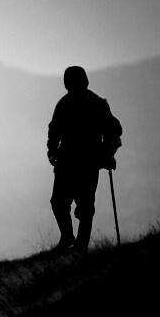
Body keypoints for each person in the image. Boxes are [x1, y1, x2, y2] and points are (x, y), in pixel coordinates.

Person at [47, 66, 122, 252]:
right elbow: (54, 130)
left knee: (84, 206)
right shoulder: (67, 104)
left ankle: (79, 245)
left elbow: (113, 132)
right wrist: (52, 151)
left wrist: (108, 152)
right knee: (60, 202)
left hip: (86, 162)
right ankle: (69, 238)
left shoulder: (96, 104)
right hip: (70, 161)